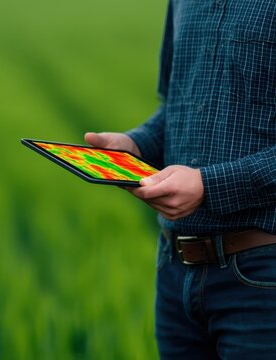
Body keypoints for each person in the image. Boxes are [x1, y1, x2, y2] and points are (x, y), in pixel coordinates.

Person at [84, 0, 276, 358]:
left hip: (261, 279)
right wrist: (135, 145)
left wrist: (209, 186)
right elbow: (176, 106)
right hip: (175, 274)